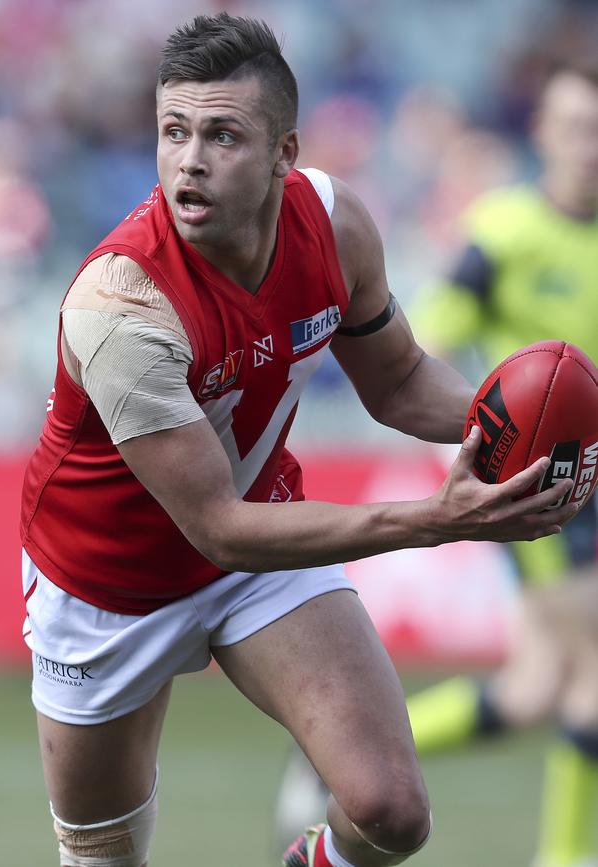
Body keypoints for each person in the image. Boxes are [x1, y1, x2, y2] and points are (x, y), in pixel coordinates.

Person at [19, 15, 578, 867]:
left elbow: (396, 383)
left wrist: (528, 434)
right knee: (102, 856)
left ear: (285, 153)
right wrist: (440, 517)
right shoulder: (119, 303)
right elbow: (215, 526)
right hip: (108, 583)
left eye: (222, 135)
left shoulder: (333, 223)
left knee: (391, 810)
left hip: (258, 549)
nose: (189, 159)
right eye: (173, 132)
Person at [275, 60, 598, 867]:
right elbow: (434, 337)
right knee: (593, 680)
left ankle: (342, 755)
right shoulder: (506, 233)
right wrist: (474, 437)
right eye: (574, 127)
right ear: (542, 133)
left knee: (532, 691)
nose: (589, 147)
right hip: (544, 485)